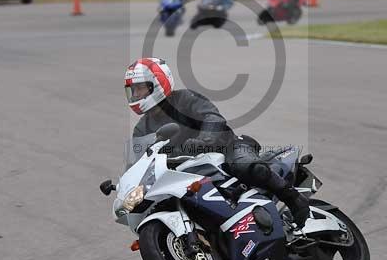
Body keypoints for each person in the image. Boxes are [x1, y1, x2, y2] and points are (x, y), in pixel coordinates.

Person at [125, 57, 310, 228]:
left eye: (140, 87)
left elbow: (213, 118)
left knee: (246, 166)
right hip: (183, 171)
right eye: (133, 90)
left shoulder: (185, 98)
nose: (136, 93)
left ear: (157, 83)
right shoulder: (142, 128)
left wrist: (204, 140)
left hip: (226, 148)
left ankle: (295, 200)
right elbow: (142, 160)